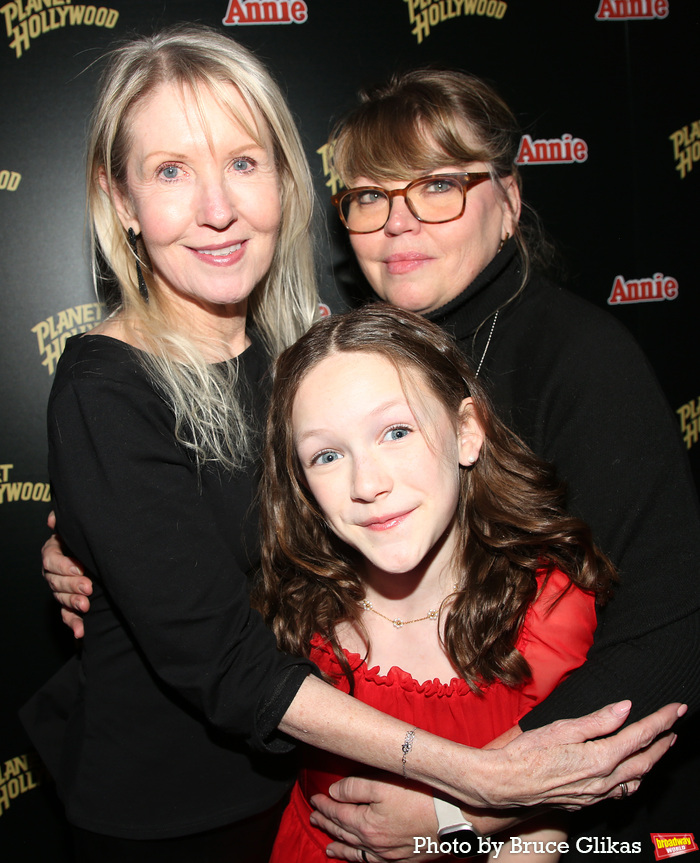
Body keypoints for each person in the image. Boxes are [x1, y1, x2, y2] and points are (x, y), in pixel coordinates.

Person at [33, 36, 685, 861]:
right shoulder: (140, 382)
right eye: (169, 171)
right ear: (119, 199)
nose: (216, 207)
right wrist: (88, 535)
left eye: (242, 162)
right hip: (190, 812)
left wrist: (472, 809)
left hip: (361, 786)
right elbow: (217, 642)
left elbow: (665, 616)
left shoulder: (324, 347)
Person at [301, 69, 700, 860]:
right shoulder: (350, 365)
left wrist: (464, 804)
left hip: (595, 824)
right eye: (371, 196)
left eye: (439, 185)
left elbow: (671, 633)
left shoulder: (581, 361)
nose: (397, 222)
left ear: (510, 202)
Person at [256, 303, 617, 863]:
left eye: (396, 431)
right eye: (326, 455)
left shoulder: (551, 614)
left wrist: (453, 828)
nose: (367, 483)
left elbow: (553, 810)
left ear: (467, 432)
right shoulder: (294, 611)